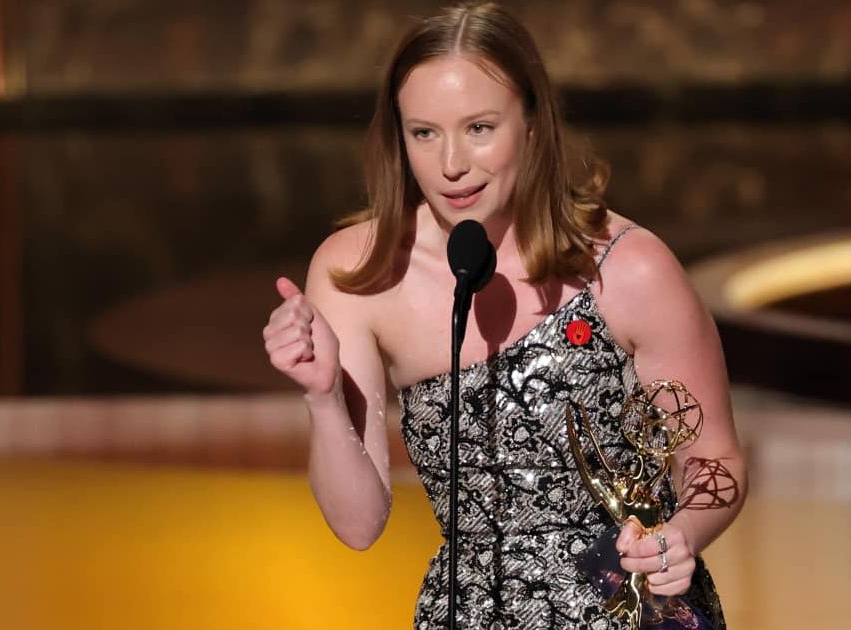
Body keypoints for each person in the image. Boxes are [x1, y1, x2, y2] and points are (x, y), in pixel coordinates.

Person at [262, 3, 746, 628]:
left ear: (533, 123)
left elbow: (716, 461)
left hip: (628, 609)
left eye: (480, 128)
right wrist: (324, 399)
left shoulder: (631, 268)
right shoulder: (357, 274)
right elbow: (358, 527)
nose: (451, 164)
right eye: (424, 133)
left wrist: (681, 536)